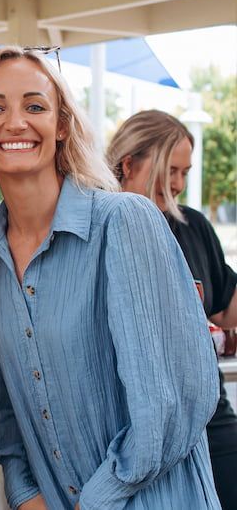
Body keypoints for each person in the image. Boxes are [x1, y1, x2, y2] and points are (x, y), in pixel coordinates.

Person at [0, 47, 220, 509]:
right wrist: (26, 494)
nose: (15, 123)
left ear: (61, 125)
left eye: (34, 106)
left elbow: (173, 402)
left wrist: (97, 500)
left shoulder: (124, 221)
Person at [107, 109, 237, 510]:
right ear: (128, 165)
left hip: (209, 422)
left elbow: (226, 310)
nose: (178, 184)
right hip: (133, 436)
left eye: (185, 172)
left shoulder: (192, 226)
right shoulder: (99, 231)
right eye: (170, 171)